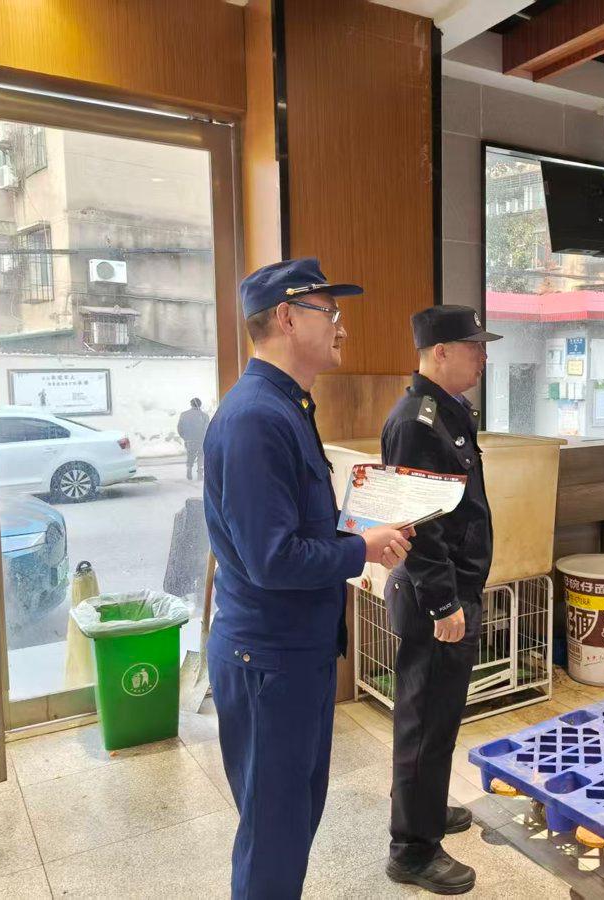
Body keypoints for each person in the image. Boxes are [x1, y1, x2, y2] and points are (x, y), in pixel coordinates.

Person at [202, 257, 414, 899]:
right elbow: (272, 559)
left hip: (296, 655)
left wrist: (358, 528)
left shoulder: (287, 406)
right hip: (269, 662)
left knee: (290, 822)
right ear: (287, 318)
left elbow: (294, 527)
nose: (342, 326)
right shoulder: (256, 418)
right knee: (273, 836)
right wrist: (360, 549)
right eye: (330, 312)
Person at [380, 305, 501, 895]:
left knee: (439, 717)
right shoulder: (417, 422)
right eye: (474, 346)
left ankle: (424, 809)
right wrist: (443, 604)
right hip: (436, 596)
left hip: (453, 588)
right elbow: (418, 524)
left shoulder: (449, 412)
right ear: (441, 352)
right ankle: (412, 849)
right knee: (424, 722)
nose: (483, 356)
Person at [178, 398, 210, 480]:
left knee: (190, 454)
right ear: (200, 405)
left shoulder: (183, 414)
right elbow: (207, 429)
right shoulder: (204, 415)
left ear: (191, 404)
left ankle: (189, 468)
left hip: (189, 440)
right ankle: (200, 472)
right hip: (201, 440)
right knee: (201, 455)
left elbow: (179, 428)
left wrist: (185, 437)